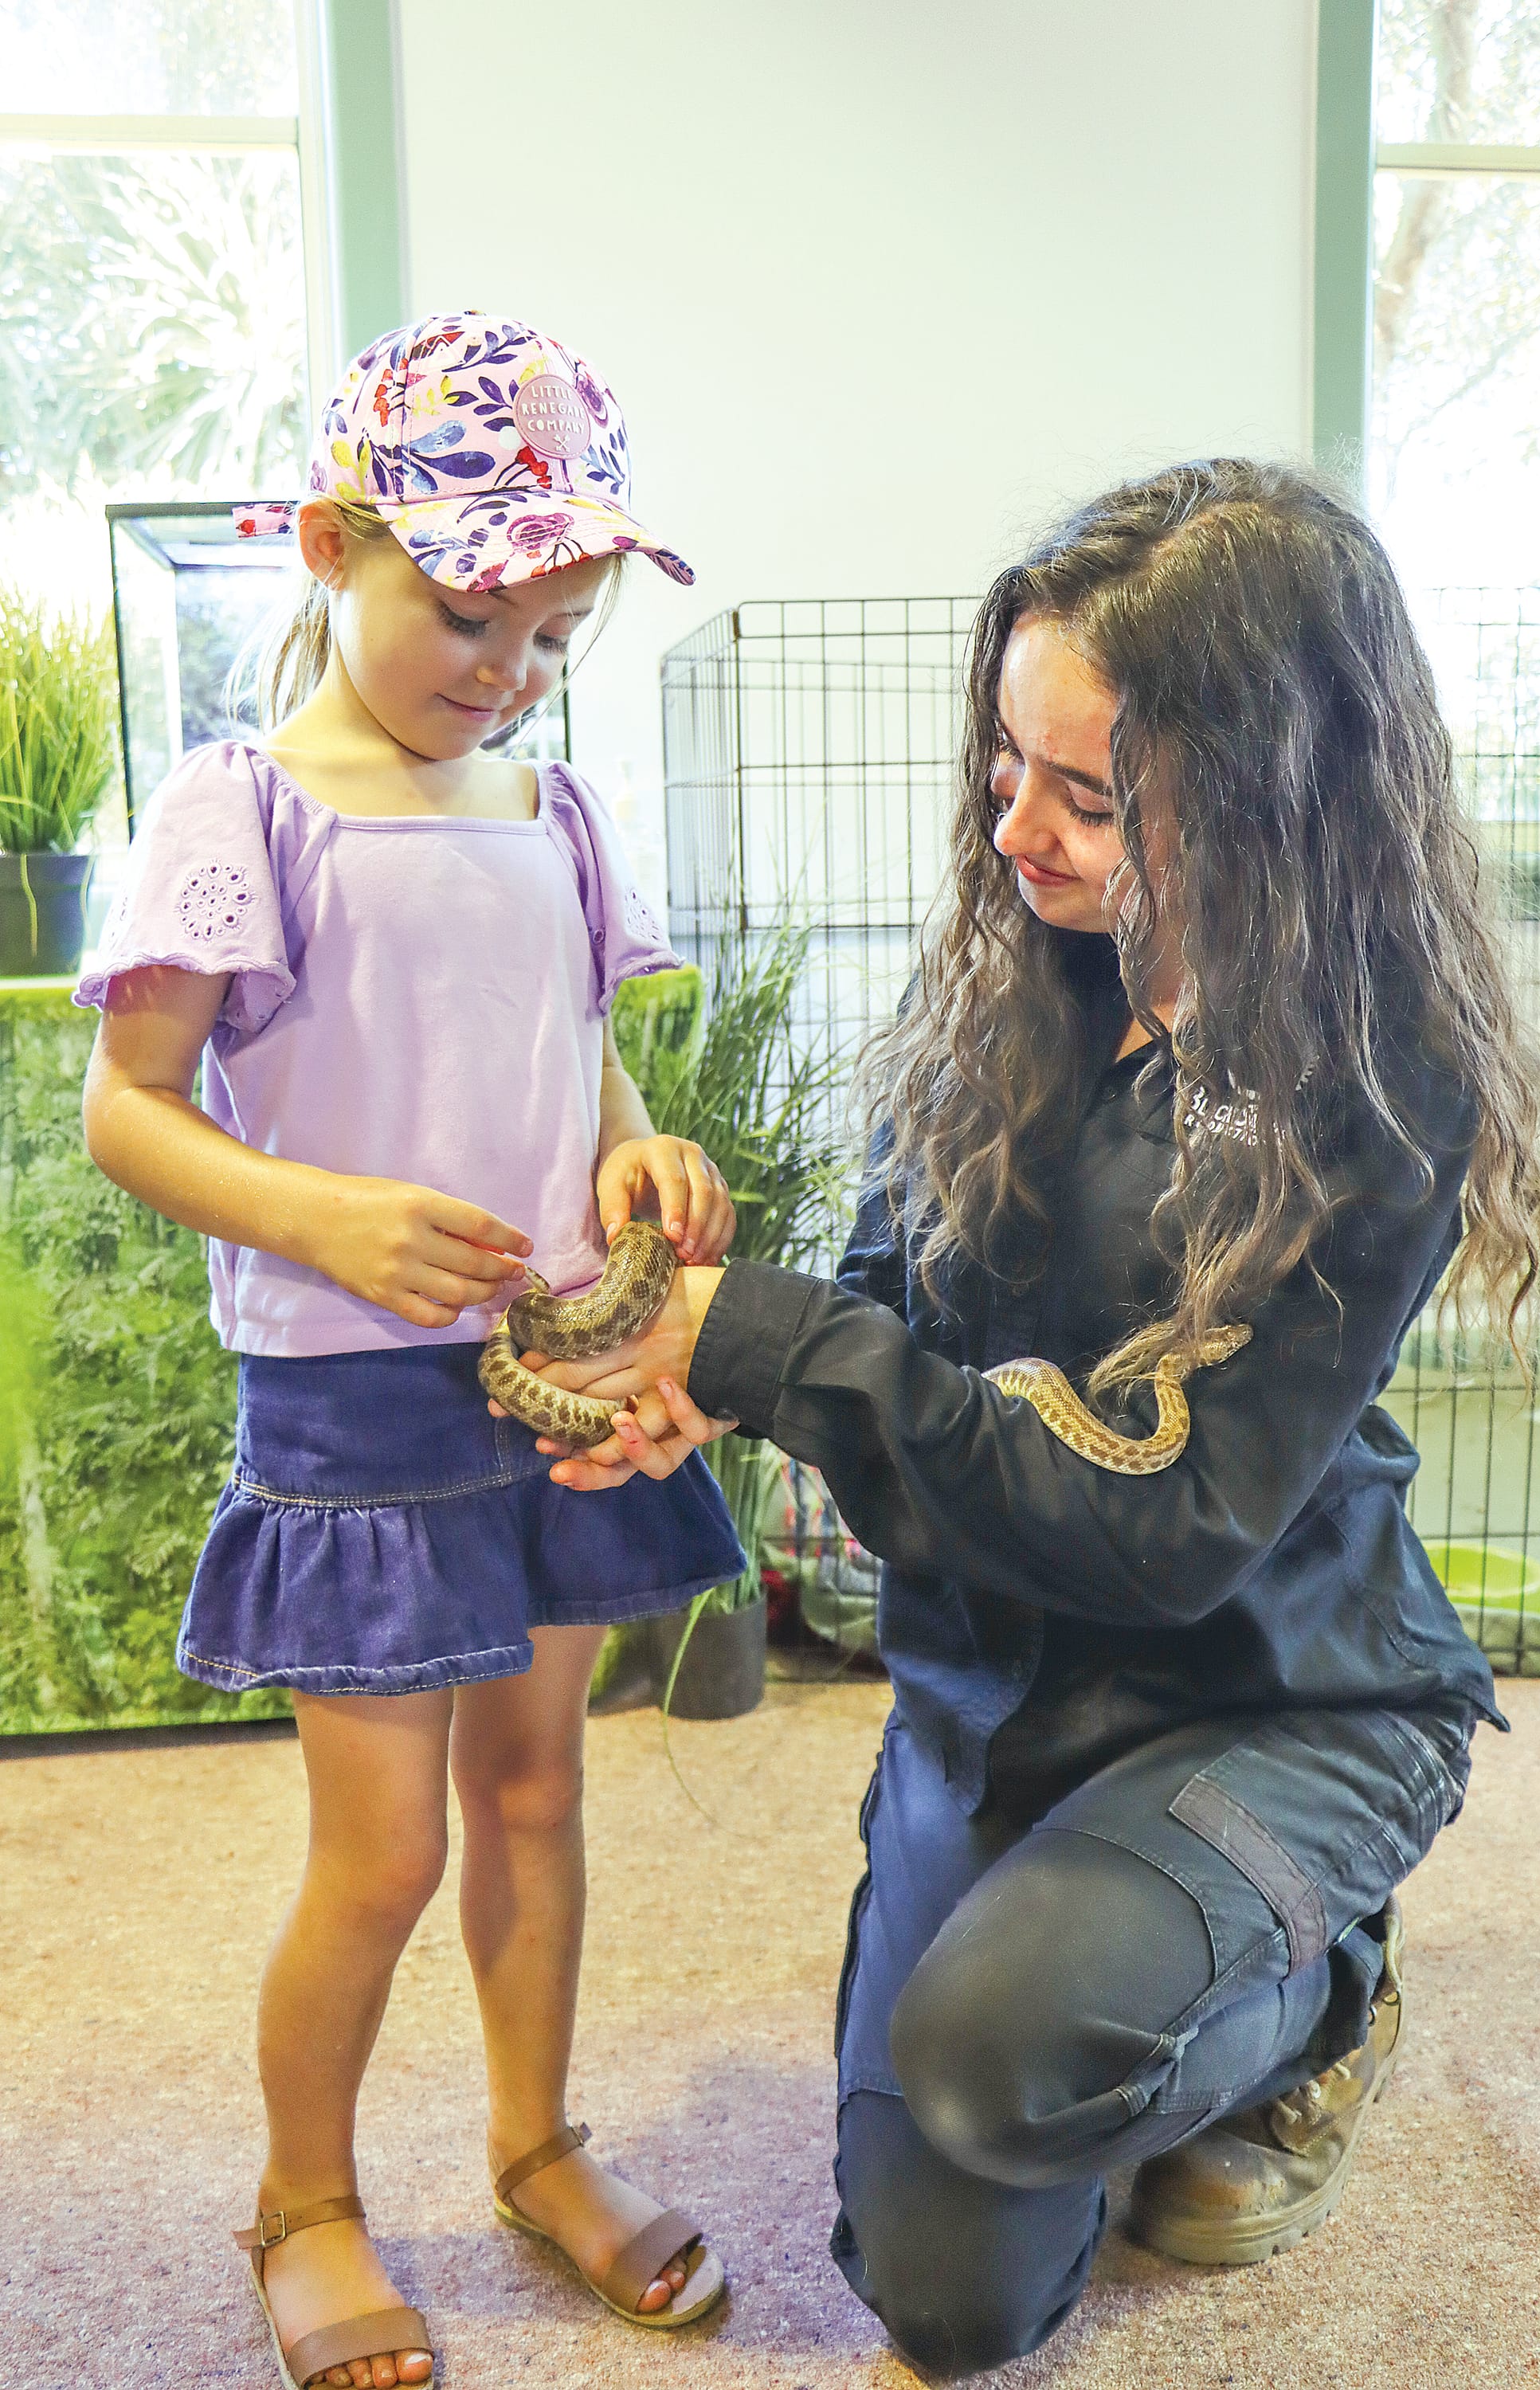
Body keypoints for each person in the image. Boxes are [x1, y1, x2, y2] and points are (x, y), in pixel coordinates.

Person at [514, 461, 1540, 2377]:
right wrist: (691, 1385)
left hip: (1268, 1695)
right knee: (947, 2299)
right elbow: (887, 1316)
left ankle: (1322, 1984)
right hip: (990, 1681)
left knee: (1005, 2056)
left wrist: (755, 1348)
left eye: (1090, 796)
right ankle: (1078, 1947)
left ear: (1268, 811)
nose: (1017, 831)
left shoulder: (1370, 1093)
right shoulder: (1014, 985)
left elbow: (1154, 1526)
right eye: (1005, 761)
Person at [77, 313, 743, 2390]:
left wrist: (642, 1164)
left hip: (553, 1365)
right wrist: (328, 1216)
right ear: (325, 543)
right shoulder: (240, 803)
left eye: (551, 635)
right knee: (386, 1850)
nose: (507, 668)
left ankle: (537, 2144)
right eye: (466, 611)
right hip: (351, 1393)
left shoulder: (552, 810)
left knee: (540, 1797)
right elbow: (130, 1107)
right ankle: (308, 2198)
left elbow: (582, 1062)